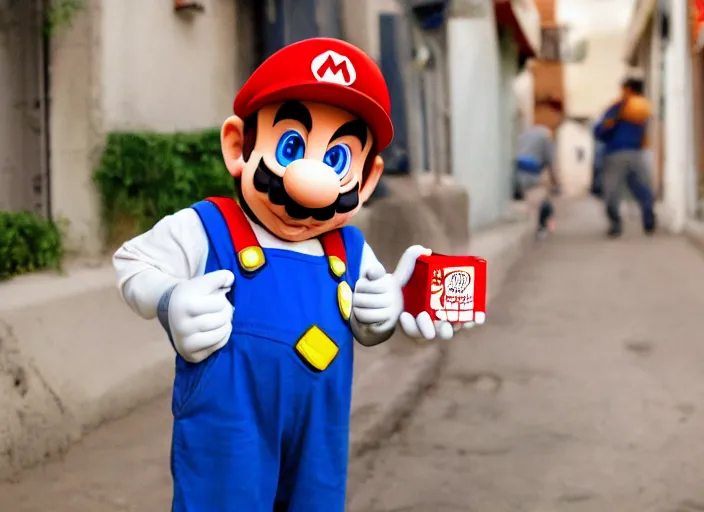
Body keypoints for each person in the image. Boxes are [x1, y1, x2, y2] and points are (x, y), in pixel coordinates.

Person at [112, 38, 472, 511]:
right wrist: (168, 300)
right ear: (239, 146)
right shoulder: (206, 228)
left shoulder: (352, 250)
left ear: (365, 181)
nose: (314, 183)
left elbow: (367, 326)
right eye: (291, 146)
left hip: (319, 436)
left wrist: (385, 312)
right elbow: (133, 262)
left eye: (338, 159)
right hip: (228, 431)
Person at [593, 76, 656, 237]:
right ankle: (649, 221)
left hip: (615, 154)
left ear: (628, 89)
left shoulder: (619, 106)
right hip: (637, 153)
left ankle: (615, 225)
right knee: (642, 188)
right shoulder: (644, 108)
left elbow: (600, 131)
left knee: (611, 191)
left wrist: (611, 123)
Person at [514, 98, 562, 240]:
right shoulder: (545, 136)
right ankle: (541, 229)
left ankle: (536, 228)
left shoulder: (526, 133)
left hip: (517, 171)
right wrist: (556, 182)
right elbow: (550, 161)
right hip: (532, 173)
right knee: (543, 202)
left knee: (529, 202)